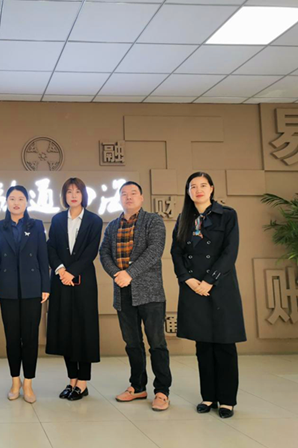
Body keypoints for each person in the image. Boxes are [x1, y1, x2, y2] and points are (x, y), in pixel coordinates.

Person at [171, 172, 245, 419]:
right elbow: (176, 252)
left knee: (224, 344)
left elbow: (230, 252)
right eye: (193, 186)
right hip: (193, 286)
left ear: (212, 188)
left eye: (203, 185)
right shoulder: (184, 218)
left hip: (220, 285)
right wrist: (188, 279)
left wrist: (209, 280)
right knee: (202, 344)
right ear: (188, 192)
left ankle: (227, 400)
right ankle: (208, 396)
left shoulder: (228, 215)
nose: (198, 190)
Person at [99, 181, 172, 412]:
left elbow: (155, 250)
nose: (128, 197)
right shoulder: (112, 226)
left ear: (141, 197)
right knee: (132, 343)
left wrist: (129, 273)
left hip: (150, 292)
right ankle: (138, 386)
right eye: (124, 194)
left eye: (133, 193)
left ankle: (162, 391)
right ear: (119, 199)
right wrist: (117, 274)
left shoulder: (153, 221)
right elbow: (104, 253)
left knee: (157, 343)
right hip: (123, 292)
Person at [0, 185, 50, 404]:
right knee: (12, 338)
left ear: (26, 203)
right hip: (7, 289)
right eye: (12, 199)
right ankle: (15, 381)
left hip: (32, 288)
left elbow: (43, 257)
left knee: (31, 338)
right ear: (6, 202)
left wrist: (46, 286)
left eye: (21, 199)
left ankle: (28, 384)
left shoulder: (36, 225)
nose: (16, 203)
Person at [46, 178, 102, 401]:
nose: (73, 195)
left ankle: (83, 382)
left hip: (83, 282)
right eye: (69, 192)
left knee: (84, 330)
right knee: (65, 330)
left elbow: (90, 252)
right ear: (64, 196)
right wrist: (61, 270)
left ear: (83, 195)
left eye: (77, 191)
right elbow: (51, 247)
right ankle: (72, 380)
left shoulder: (94, 220)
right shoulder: (57, 219)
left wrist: (72, 272)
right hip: (61, 282)